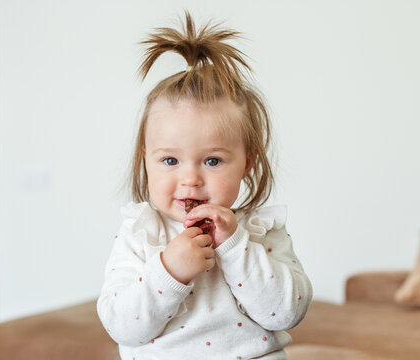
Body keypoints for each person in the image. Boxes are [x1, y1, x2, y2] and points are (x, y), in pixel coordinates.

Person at [97, 11, 312, 360]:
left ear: (249, 162)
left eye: (212, 161)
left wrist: (236, 247)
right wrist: (169, 272)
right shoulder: (140, 234)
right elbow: (122, 325)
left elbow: (287, 313)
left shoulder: (259, 231)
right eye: (170, 161)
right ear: (146, 158)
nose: (190, 179)